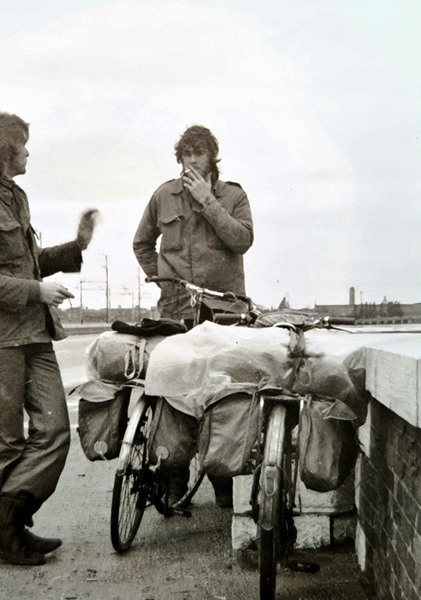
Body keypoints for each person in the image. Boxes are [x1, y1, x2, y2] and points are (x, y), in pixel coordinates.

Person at [0, 108, 97, 565]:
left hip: (35, 333)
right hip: (1, 339)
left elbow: (28, 262)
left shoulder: (15, 198)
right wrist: (36, 290)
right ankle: (6, 528)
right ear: (3, 150)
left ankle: (7, 523)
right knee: (8, 438)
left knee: (54, 430)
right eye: (23, 144)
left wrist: (77, 247)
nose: (29, 151)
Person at [133, 125, 254, 508]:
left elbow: (242, 240)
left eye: (198, 154)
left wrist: (208, 202)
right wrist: (163, 281)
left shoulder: (233, 195)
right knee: (173, 391)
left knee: (221, 393)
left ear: (212, 158)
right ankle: (173, 476)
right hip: (176, 310)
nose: (191, 161)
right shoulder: (163, 195)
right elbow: (141, 243)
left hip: (224, 312)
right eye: (185, 154)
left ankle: (221, 478)